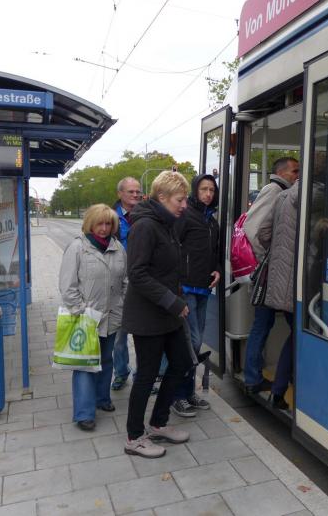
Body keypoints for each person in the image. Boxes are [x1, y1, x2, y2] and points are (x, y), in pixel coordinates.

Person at [122, 171, 194, 458]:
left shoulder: (166, 223)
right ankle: (134, 437)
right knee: (147, 375)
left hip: (167, 314)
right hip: (148, 316)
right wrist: (172, 301)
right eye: (180, 200)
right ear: (162, 197)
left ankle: (158, 423)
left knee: (181, 363)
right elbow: (137, 274)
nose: (184, 205)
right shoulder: (145, 226)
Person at [58, 204, 126, 431]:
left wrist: (122, 305)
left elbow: (125, 281)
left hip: (112, 316)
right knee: (85, 365)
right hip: (86, 318)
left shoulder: (118, 248)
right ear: (90, 224)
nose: (104, 228)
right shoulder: (77, 248)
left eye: (108, 224)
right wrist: (80, 311)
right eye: (100, 224)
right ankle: (84, 413)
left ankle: (102, 398)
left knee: (106, 360)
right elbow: (67, 286)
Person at [242, 157, 300, 394]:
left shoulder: (281, 191)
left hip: (273, 272)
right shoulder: (275, 190)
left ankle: (257, 377)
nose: (298, 175)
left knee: (267, 324)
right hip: (270, 273)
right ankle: (254, 377)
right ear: (282, 172)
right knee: (267, 325)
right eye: (295, 171)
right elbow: (253, 230)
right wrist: (268, 258)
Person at [170, 174, 221, 417]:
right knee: (191, 341)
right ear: (195, 191)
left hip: (204, 288)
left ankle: (188, 392)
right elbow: (173, 248)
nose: (208, 194)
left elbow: (216, 253)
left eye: (212, 190)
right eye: (204, 189)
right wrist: (177, 284)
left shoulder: (212, 221)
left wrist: (218, 270)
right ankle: (177, 396)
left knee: (196, 343)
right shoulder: (186, 215)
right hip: (186, 288)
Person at [264, 181, 300, 410]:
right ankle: (279, 390)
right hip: (299, 282)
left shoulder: (283, 196)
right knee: (298, 335)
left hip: (280, 280)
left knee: (296, 334)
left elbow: (263, 232)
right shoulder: (318, 195)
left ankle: (281, 388)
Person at [111, 177, 141, 391]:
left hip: (142, 282)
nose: (135, 195)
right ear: (120, 194)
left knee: (143, 334)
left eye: (138, 191)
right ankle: (121, 372)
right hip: (119, 284)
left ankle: (143, 375)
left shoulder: (147, 215)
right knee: (118, 336)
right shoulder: (110, 217)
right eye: (131, 191)